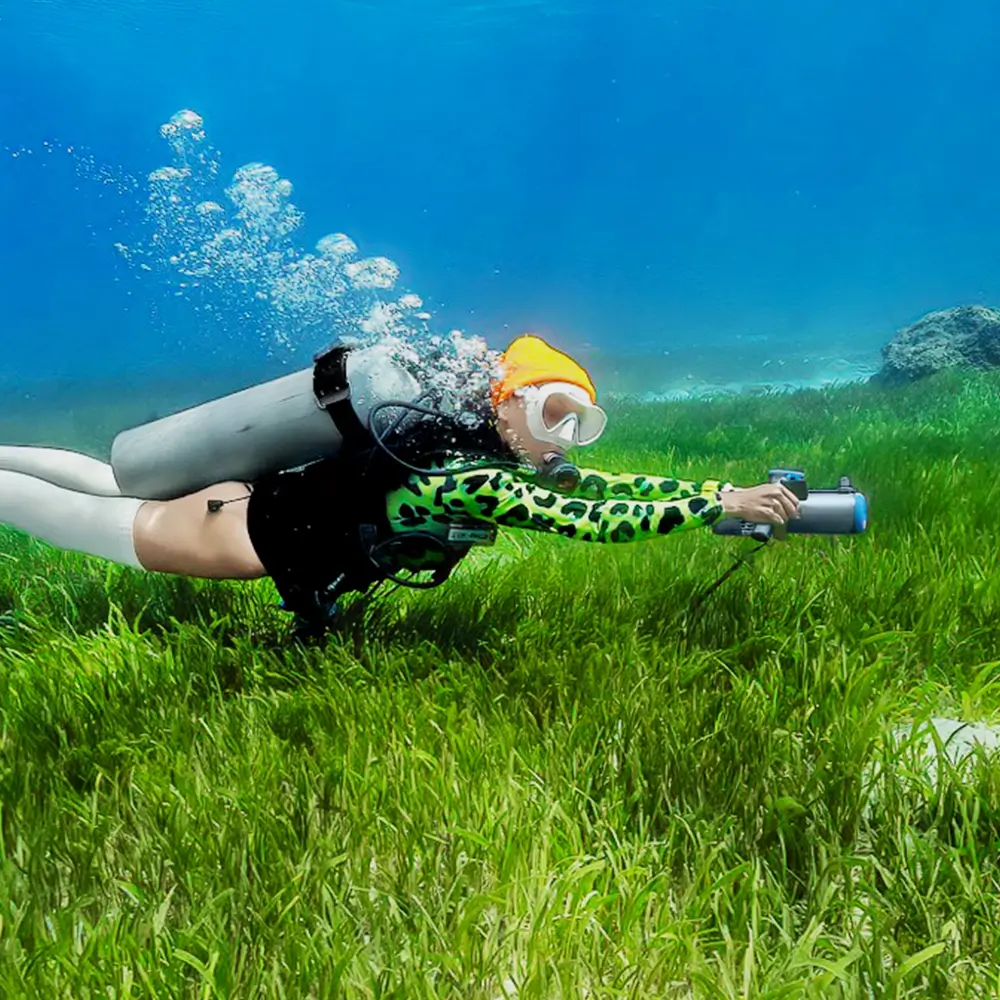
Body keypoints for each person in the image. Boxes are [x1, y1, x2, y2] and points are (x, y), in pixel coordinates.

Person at [0, 334, 800, 634]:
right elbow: (587, 522)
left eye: (581, 424)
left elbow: (607, 489)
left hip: (256, 506)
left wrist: (714, 492)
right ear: (507, 402)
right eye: (555, 413)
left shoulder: (467, 447)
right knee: (64, 518)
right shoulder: (474, 477)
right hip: (238, 535)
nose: (563, 440)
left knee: (108, 482)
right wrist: (716, 506)